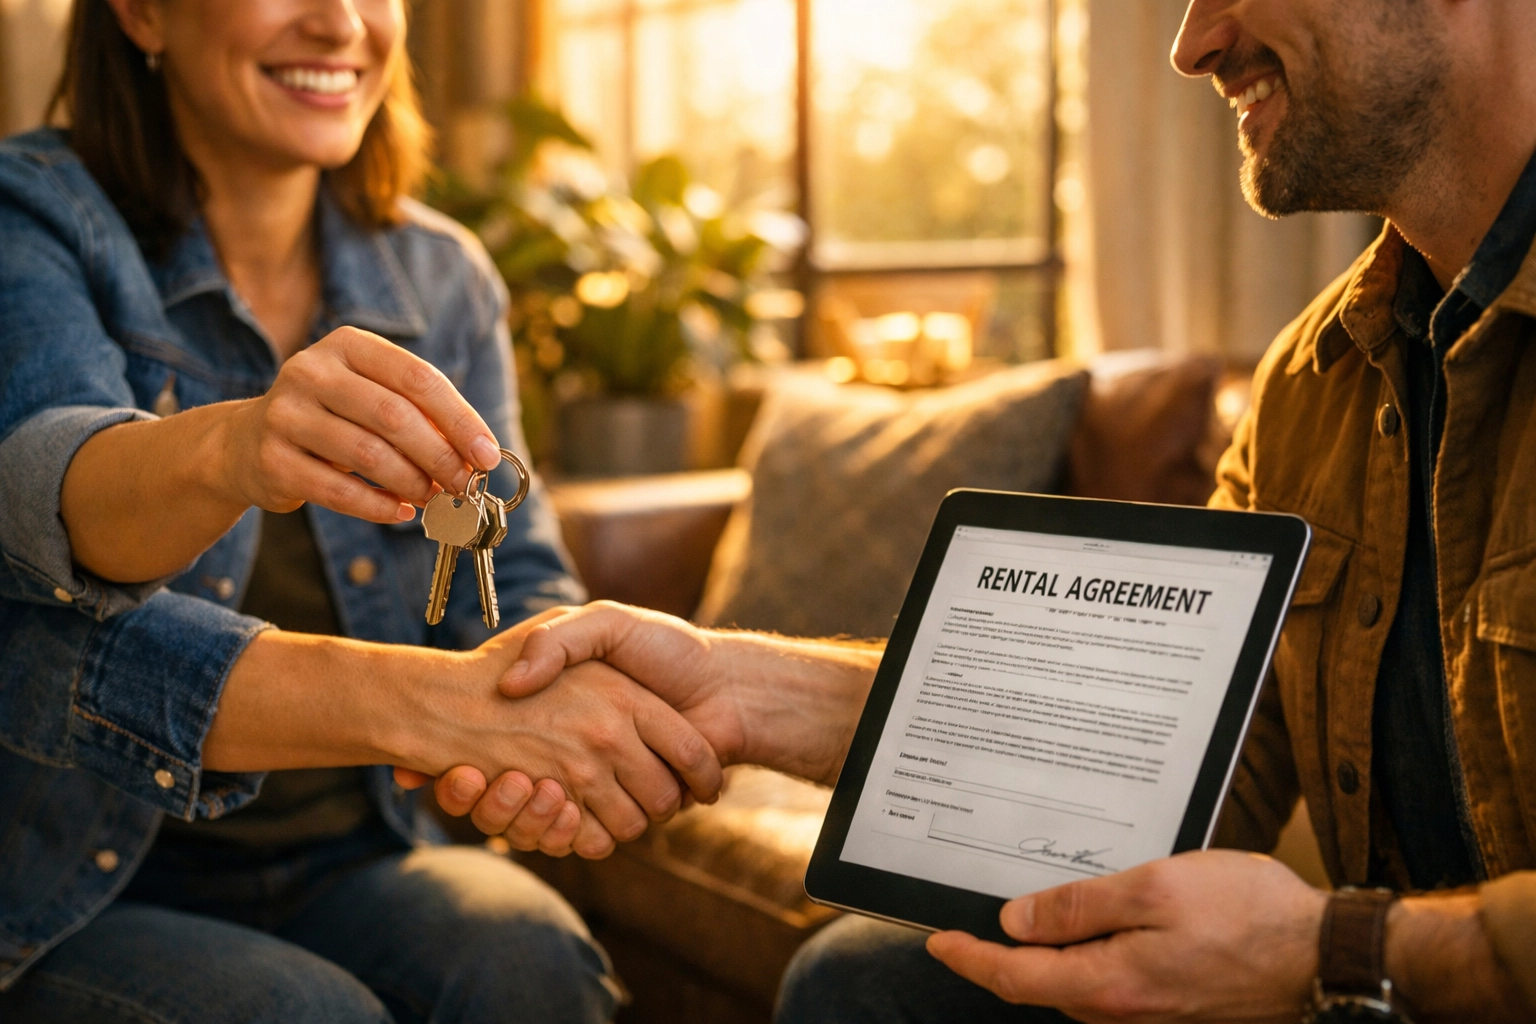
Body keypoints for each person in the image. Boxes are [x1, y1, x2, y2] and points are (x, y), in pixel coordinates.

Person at [432, 0, 1536, 1020]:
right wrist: (743, 691)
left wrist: (1332, 951)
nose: (1194, 42)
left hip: (1384, 979)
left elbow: (1328, 940)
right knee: (868, 982)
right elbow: (1183, 758)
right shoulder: (1316, 379)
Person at [0, 1, 725, 1021]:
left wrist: (562, 698)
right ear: (144, 12)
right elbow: (44, 509)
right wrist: (233, 445)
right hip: (73, 880)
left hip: (357, 852)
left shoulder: (443, 275)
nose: (341, 22)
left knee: (530, 957)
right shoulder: (26, 214)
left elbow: (513, 581)